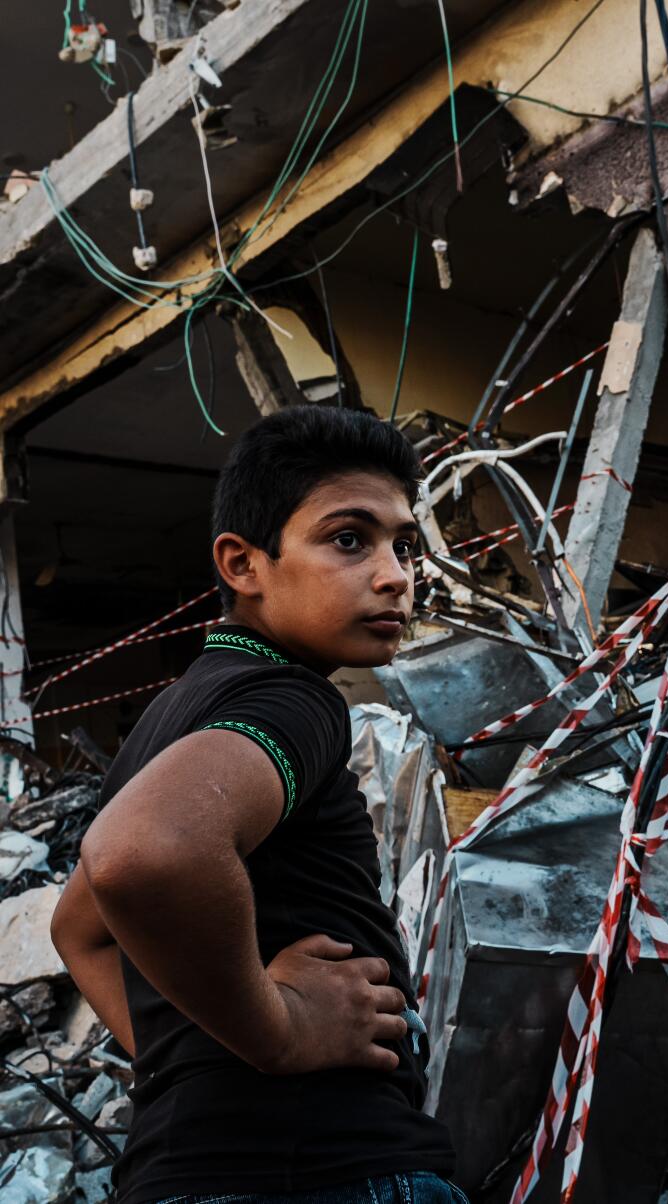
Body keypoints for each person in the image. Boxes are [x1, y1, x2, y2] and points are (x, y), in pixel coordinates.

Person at [50, 407, 458, 1204]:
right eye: (349, 539)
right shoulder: (290, 699)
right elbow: (145, 852)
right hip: (327, 1169)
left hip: (189, 1169)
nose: (395, 575)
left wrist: (201, 1061)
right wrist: (277, 1030)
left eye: (403, 545)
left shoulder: (168, 723)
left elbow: (80, 928)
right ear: (243, 564)